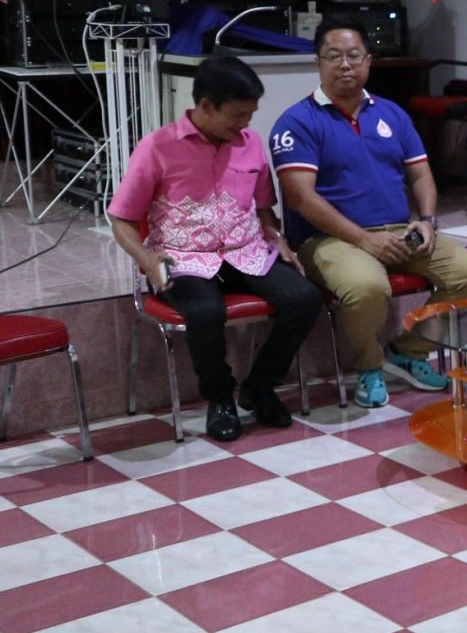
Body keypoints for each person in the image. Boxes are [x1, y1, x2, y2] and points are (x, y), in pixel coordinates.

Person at [270, 17, 467, 409]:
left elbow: (421, 174)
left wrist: (427, 220)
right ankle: (369, 367)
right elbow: (301, 198)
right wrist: (364, 239)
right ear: (317, 63)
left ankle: (407, 350)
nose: (345, 65)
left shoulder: (392, 113)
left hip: (399, 229)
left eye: (354, 55)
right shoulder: (297, 122)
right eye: (333, 56)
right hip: (329, 239)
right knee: (368, 287)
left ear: (368, 61)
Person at [108, 55, 322, 442]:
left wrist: (276, 237)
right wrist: (148, 259)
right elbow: (121, 220)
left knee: (304, 297)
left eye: (250, 115)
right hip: (183, 258)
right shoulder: (157, 147)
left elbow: (263, 208)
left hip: (246, 252)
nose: (245, 124)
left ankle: (260, 386)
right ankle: (220, 397)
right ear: (206, 106)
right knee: (206, 311)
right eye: (238, 115)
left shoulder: (250, 144)